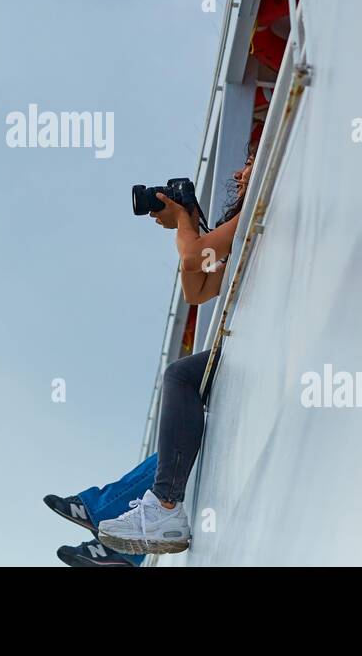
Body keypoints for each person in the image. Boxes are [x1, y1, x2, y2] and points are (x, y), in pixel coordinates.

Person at [46, 156, 253, 564]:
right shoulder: (241, 234)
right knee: (182, 436)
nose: (239, 172)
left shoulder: (256, 213)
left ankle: (129, 516)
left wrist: (184, 223)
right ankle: (119, 544)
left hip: (253, 342)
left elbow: (195, 259)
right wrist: (186, 223)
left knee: (181, 377)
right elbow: (199, 287)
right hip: (252, 342)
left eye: (247, 162)